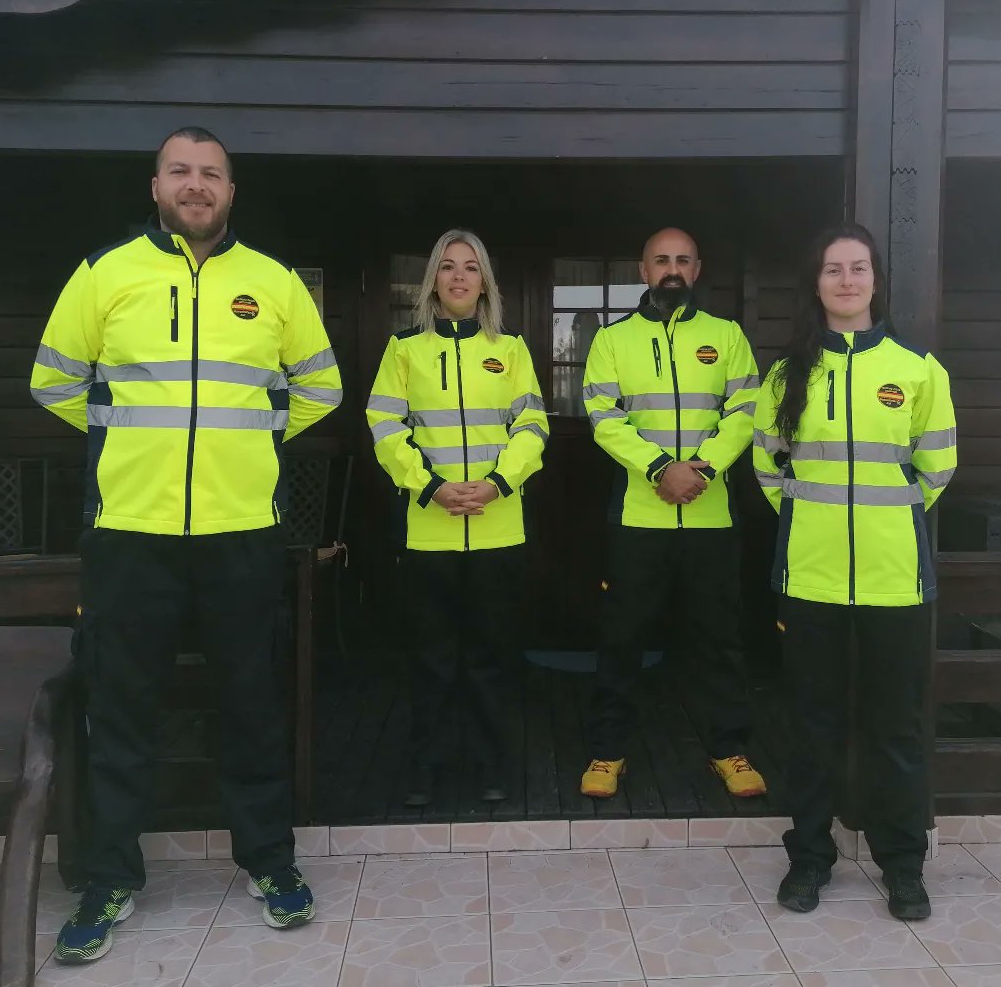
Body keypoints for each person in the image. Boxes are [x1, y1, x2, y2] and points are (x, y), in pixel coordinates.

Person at [31, 127, 342, 963]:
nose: (196, 185)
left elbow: (320, 384)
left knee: (249, 701)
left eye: (211, 174)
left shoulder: (271, 282)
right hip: (131, 532)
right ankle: (110, 878)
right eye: (181, 171)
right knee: (121, 707)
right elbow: (53, 379)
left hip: (241, 529)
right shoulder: (105, 273)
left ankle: (270, 864)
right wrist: (126, 449)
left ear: (231, 193)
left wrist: (250, 444)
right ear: (156, 185)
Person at [753, 222, 956, 921]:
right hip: (810, 583)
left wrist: (882, 527)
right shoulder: (787, 375)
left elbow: (935, 471)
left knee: (894, 729)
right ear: (816, 283)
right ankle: (810, 859)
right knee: (811, 729)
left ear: (875, 280)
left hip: (895, 583)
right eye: (833, 269)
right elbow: (767, 467)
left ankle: (904, 865)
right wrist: (810, 530)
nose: (846, 280)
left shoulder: (918, 368)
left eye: (858, 268)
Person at [581, 228, 766, 800]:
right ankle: (608, 752)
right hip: (639, 516)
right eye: (662, 260)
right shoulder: (612, 340)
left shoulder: (726, 336)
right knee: (622, 638)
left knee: (719, 640)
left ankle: (728, 750)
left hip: (711, 519)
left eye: (683, 260)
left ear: (697, 269)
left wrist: (702, 469)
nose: (672, 269)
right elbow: (602, 415)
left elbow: (745, 410)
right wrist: (662, 467)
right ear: (643, 270)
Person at [366, 229, 548, 805]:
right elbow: (385, 428)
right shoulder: (403, 350)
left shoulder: (512, 349)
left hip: (499, 527)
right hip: (429, 529)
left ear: (485, 281)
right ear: (433, 281)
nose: (460, 277)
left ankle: (492, 765)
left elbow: (533, 428)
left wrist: (497, 483)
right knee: (432, 658)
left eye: (471, 267)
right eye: (448, 267)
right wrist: (431, 487)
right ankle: (428, 765)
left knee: (492, 656)